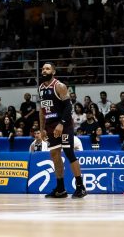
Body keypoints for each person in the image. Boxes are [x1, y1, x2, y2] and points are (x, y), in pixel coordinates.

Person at [37, 62, 87, 198]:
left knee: (69, 153)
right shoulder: (40, 88)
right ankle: (60, 189)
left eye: (47, 69)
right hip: (50, 125)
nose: (44, 70)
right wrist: (42, 128)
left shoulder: (59, 86)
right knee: (54, 154)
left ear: (53, 72)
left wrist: (61, 124)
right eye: (43, 68)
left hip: (64, 124)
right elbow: (42, 110)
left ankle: (80, 187)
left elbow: (68, 107)